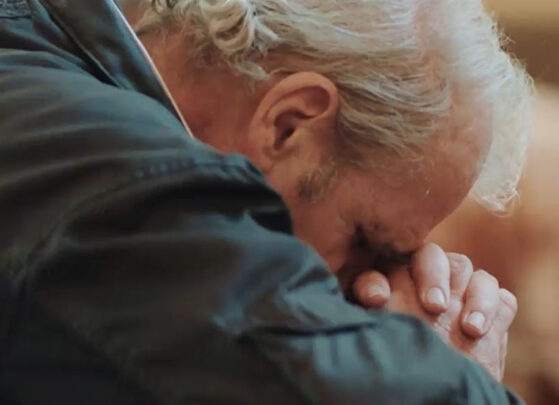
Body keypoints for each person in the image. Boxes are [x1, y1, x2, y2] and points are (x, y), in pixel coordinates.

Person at [0, 0, 532, 404]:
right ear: (288, 125)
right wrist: (453, 370)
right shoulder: (121, 174)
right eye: (366, 241)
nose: (372, 287)